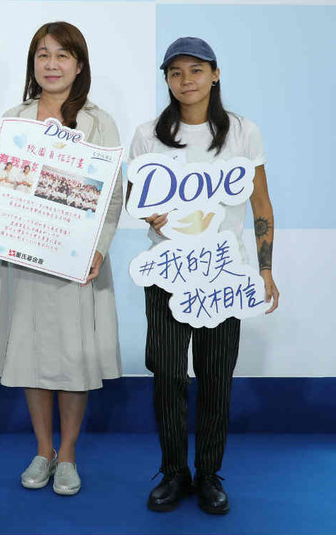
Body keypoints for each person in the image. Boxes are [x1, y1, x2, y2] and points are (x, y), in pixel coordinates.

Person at [128, 36, 279, 515]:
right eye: (175, 72)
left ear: (215, 75)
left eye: (196, 70)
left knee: (216, 377)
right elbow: (136, 198)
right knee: (168, 374)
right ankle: (174, 471)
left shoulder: (243, 132)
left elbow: (260, 205)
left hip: (223, 275)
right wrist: (148, 214)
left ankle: (210, 474)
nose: (186, 80)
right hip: (167, 273)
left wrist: (265, 269)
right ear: (167, 80)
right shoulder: (148, 134)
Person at [0, 21, 123, 496]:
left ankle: (68, 455)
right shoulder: (16, 118)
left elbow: (113, 195)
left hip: (77, 262)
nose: (52, 64)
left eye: (62, 55)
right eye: (43, 55)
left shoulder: (99, 122)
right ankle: (43, 450)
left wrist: (99, 248)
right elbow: (2, 182)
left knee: (72, 357)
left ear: (79, 65)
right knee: (31, 353)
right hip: (25, 255)